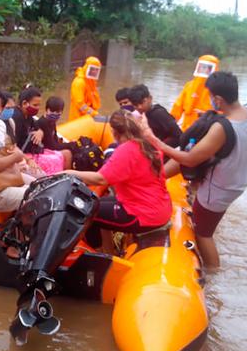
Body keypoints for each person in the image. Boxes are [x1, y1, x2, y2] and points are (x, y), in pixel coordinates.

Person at [143, 71, 247, 268]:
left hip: (219, 188)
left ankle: (214, 274)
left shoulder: (223, 128)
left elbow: (190, 160)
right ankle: (156, 179)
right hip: (240, 179)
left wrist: (158, 143)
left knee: (203, 233)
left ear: (218, 99)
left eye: (210, 97)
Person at [62, 110, 172, 251]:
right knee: (96, 203)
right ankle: (108, 252)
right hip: (157, 207)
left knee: (86, 212)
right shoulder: (147, 144)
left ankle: (98, 255)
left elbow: (101, 179)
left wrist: (70, 173)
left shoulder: (127, 150)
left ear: (114, 132)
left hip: (142, 213)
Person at [170, 55, 220, 131]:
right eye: (202, 67)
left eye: (208, 68)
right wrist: (168, 126)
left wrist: (208, 116)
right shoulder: (189, 86)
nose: (204, 70)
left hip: (206, 132)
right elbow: (177, 109)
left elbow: (224, 115)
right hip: (186, 130)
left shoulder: (218, 90)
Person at [128, 84, 182, 149]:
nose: (140, 107)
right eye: (136, 105)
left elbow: (178, 136)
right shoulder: (144, 115)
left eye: (142, 102)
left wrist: (158, 147)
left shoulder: (159, 114)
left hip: (163, 150)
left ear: (150, 98)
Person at [29, 96, 73, 173]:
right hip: (41, 151)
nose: (55, 114)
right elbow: (52, 146)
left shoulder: (52, 122)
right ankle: (67, 174)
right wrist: (71, 145)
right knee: (68, 152)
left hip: (49, 148)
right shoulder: (43, 122)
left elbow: (55, 141)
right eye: (52, 111)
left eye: (58, 112)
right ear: (46, 109)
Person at [12, 86, 43, 153]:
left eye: (39, 105)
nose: (38, 108)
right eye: (35, 105)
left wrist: (39, 133)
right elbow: (13, 145)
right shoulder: (17, 117)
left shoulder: (28, 115)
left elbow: (38, 129)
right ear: (24, 103)